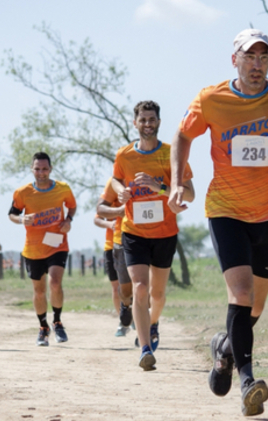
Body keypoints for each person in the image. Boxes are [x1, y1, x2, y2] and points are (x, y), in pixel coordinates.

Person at [169, 29, 268, 416]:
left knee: (254, 309)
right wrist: (177, 181)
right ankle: (248, 382)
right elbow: (182, 137)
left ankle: (223, 350)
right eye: (249, 57)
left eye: (263, 57)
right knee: (242, 295)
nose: (257, 64)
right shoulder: (211, 99)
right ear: (233, 59)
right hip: (226, 210)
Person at [112, 100, 195, 371]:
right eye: (142, 119)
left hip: (164, 232)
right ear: (135, 123)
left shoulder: (172, 155)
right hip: (134, 232)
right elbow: (115, 179)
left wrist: (160, 186)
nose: (147, 124)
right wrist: (120, 190)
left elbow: (190, 193)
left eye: (152, 119)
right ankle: (145, 347)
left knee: (157, 295)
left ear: (158, 122)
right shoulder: (124, 155)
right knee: (140, 287)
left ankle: (154, 323)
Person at [8, 152, 76, 347]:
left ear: (50, 169)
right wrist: (21, 219)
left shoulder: (62, 188)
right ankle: (43, 327)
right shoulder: (23, 193)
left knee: (55, 283)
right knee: (39, 292)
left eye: (45, 169)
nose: (41, 172)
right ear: (32, 170)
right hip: (33, 249)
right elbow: (12, 214)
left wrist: (68, 220)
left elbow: (72, 206)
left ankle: (57, 322)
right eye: (37, 169)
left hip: (57, 244)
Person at [95, 177, 133, 337]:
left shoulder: (137, 185)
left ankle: (136, 318)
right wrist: (109, 224)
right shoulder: (109, 193)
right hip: (111, 245)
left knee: (133, 285)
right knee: (116, 286)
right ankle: (123, 320)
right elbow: (96, 218)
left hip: (131, 241)